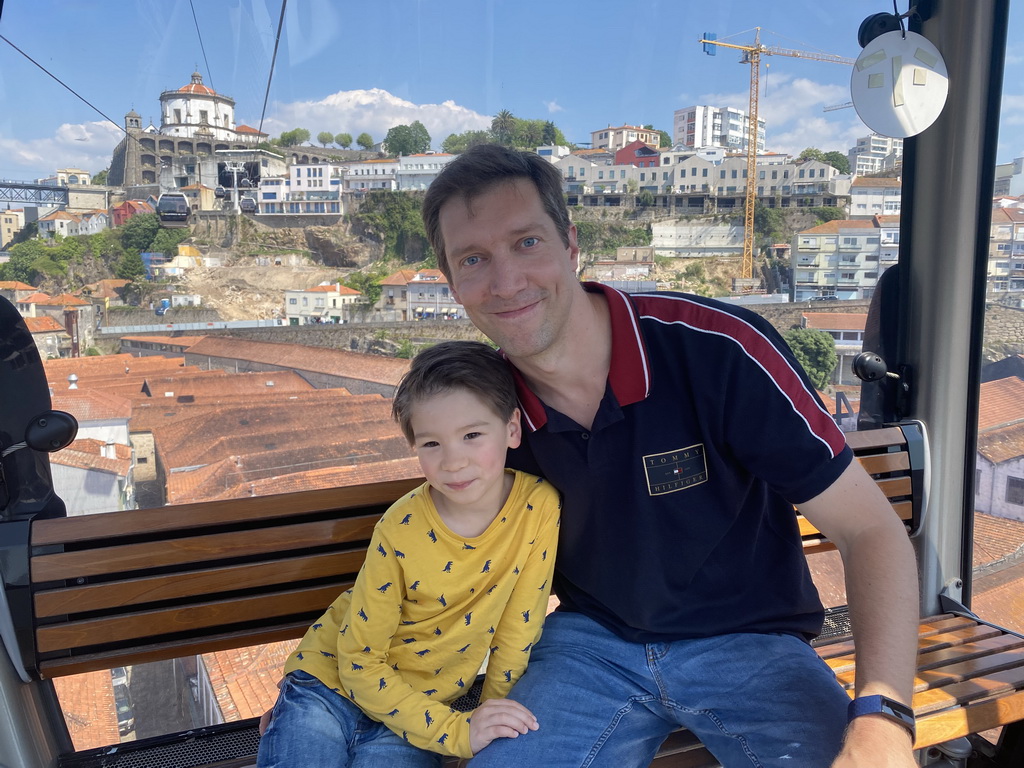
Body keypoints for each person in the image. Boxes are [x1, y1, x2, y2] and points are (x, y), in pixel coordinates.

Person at [419, 144, 920, 768]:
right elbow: (436, 571)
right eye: (474, 259)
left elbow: (870, 529)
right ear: (452, 284)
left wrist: (884, 718)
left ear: (571, 245)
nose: (506, 281)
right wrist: (328, 692)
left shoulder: (716, 351)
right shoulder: (485, 413)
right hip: (588, 648)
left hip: (751, 642)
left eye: (526, 243)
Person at [257, 340, 561, 766]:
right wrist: (457, 732)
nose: (453, 461)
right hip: (329, 685)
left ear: (512, 428)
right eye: (431, 444)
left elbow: (518, 630)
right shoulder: (401, 527)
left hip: (420, 706)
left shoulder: (538, 508)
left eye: (472, 435)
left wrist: (487, 721)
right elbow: (359, 660)